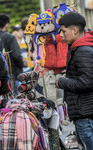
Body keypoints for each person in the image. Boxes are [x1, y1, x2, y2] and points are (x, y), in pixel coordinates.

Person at [56, 12, 93, 150]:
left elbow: (87, 82)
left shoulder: (83, 50)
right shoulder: (80, 48)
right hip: (84, 112)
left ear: (75, 30)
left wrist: (62, 82)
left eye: (63, 31)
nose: (61, 35)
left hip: (86, 114)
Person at [0, 13, 24, 96]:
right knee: (15, 103)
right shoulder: (10, 38)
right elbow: (17, 56)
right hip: (12, 76)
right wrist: (21, 65)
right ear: (7, 25)